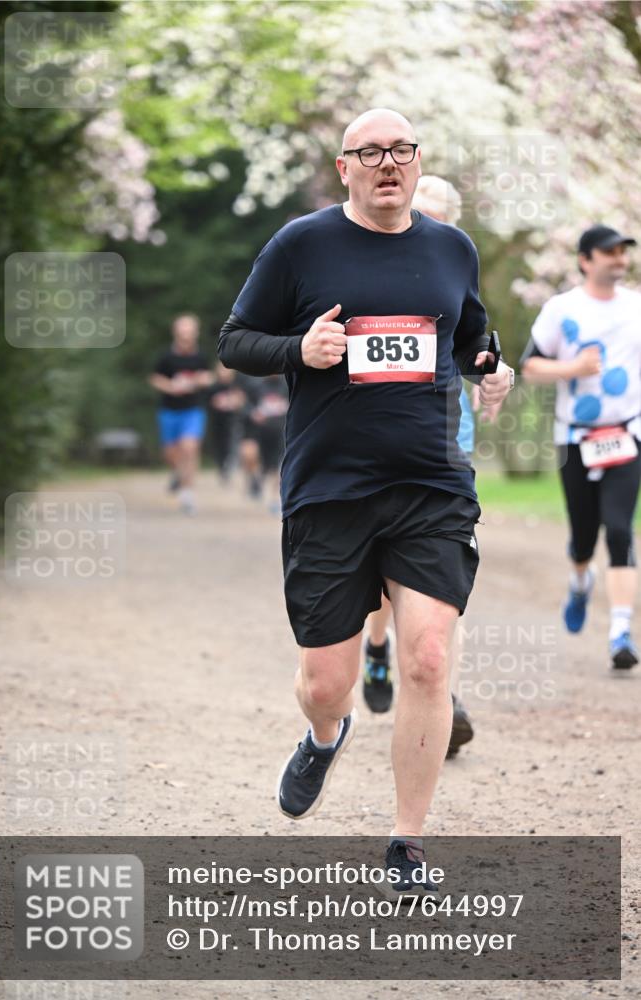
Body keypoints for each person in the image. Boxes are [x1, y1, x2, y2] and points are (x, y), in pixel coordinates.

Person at [218, 108, 513, 893]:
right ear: (343, 166)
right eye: (370, 152)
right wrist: (298, 349)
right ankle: (324, 734)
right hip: (330, 491)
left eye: (401, 151)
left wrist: (491, 365)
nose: (389, 163)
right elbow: (235, 340)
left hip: (430, 487)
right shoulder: (302, 244)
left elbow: (468, 335)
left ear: (418, 164)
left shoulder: (452, 247)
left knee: (424, 656)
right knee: (325, 681)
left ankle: (406, 844)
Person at [362, 176, 478, 764]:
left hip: (445, 434)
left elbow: (477, 343)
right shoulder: (371, 271)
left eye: (431, 217)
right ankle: (378, 646)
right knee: (384, 565)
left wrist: (494, 372)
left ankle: (442, 691)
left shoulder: (453, 267)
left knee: (437, 573)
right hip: (377, 439)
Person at [521, 225, 640, 670]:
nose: (618, 258)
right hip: (575, 437)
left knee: (621, 528)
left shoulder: (637, 307)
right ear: (585, 260)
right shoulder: (561, 309)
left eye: (623, 251)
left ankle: (620, 632)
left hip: (627, 433)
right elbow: (530, 366)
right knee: (584, 536)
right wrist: (573, 367)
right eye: (609, 251)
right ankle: (579, 581)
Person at [149, 314, 213, 514]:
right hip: (169, 411)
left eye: (189, 331)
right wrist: (170, 386)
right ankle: (178, 473)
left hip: (193, 410)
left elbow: (209, 378)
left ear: (195, 333)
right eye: (182, 331)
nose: (186, 335)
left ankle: (187, 494)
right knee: (170, 453)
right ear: (176, 333)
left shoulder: (200, 357)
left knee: (190, 447)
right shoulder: (166, 357)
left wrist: (200, 380)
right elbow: (155, 378)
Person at [238, 374, 289, 511]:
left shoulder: (288, 383)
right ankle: (255, 480)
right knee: (249, 454)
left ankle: (275, 499)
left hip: (280, 432)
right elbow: (243, 404)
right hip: (257, 432)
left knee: (281, 466)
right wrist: (253, 413)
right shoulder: (253, 383)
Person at [207, 362, 248, 483]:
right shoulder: (213, 387)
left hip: (233, 422)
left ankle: (230, 466)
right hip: (217, 422)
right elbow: (208, 403)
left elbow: (242, 401)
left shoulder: (236, 386)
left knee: (232, 444)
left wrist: (236, 402)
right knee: (219, 447)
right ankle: (221, 467)